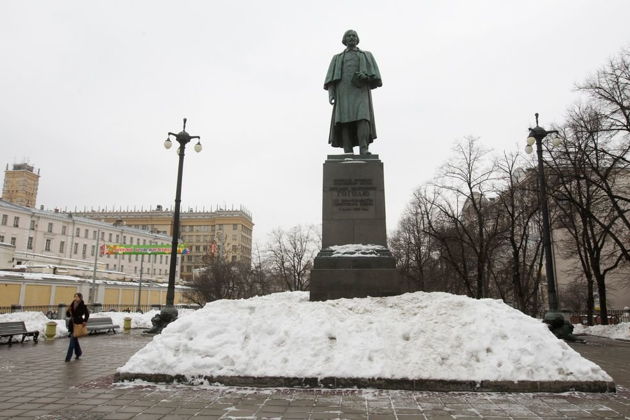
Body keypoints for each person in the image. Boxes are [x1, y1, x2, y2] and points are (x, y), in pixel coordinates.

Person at [324, 29, 382, 155]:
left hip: (360, 91)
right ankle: (348, 151)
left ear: (357, 39)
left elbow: (376, 78)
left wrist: (366, 77)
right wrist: (331, 93)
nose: (352, 38)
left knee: (363, 118)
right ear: (344, 40)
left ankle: (364, 148)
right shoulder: (337, 58)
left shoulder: (366, 55)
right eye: (349, 36)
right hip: (343, 92)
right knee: (344, 121)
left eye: (354, 35)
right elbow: (330, 80)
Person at [65, 292, 89, 362]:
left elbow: (87, 314)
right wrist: (68, 311)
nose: (76, 298)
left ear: (80, 298)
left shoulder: (83, 305)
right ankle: (78, 353)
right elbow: (68, 315)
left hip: (78, 324)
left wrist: (85, 321)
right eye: (75, 296)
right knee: (74, 340)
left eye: (77, 297)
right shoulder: (72, 304)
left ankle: (68, 358)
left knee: (72, 341)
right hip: (72, 324)